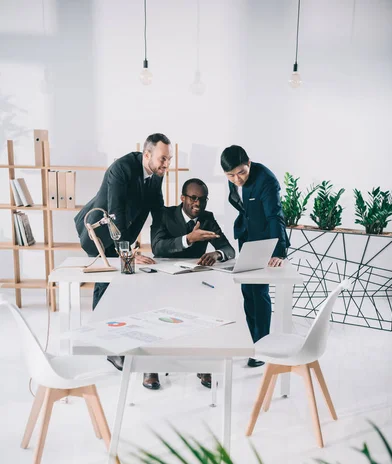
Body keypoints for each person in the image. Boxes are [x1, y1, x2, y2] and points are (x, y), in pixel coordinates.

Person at [74, 133, 172, 388]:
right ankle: (108, 346)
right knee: (106, 285)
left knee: (125, 286)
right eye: (163, 158)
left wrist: (163, 245)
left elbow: (157, 208)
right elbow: (115, 211)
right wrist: (127, 252)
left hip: (125, 233)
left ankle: (123, 338)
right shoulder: (122, 168)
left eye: (169, 159)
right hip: (100, 232)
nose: (166, 164)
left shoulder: (156, 174)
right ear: (147, 154)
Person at [149, 177, 235, 390]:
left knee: (210, 309)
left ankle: (203, 364)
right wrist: (189, 238)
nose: (198, 204)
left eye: (203, 199)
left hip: (195, 279)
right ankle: (150, 367)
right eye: (193, 198)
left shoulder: (207, 218)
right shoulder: (164, 214)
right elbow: (158, 247)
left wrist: (216, 253)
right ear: (183, 198)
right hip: (165, 278)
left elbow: (229, 249)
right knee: (154, 312)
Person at [220, 145, 290, 367]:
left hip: (265, 241)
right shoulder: (233, 177)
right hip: (247, 237)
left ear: (248, 163)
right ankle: (255, 343)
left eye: (241, 172)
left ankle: (262, 348)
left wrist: (278, 252)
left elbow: (275, 216)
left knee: (259, 291)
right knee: (247, 290)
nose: (237, 179)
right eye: (231, 175)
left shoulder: (267, 180)